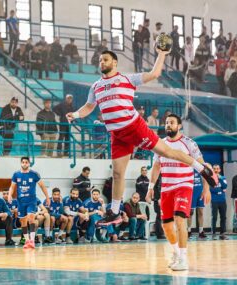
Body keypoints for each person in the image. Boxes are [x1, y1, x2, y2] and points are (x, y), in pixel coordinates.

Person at [66, 50, 217, 227]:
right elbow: (89, 106)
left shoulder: (127, 79)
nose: (102, 62)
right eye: (100, 60)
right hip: (117, 134)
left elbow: (154, 74)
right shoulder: (96, 86)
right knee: (117, 174)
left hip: (134, 127)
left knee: (167, 152)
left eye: (105, 60)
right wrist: (75, 114)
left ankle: (203, 170)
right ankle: (114, 212)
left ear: (115, 62)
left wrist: (162, 53)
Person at [146, 114, 211, 271]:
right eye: (167, 122)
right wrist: (150, 187)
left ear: (179, 126)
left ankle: (183, 257)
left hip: (184, 186)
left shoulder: (189, 144)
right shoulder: (160, 144)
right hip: (166, 188)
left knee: (179, 219)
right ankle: (176, 253)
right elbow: (156, 167)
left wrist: (206, 188)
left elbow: (204, 167)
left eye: (172, 123)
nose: (168, 125)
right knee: (167, 225)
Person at [7, 156, 50, 249]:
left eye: (26, 162)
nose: (24, 164)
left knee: (31, 218)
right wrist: (10, 195)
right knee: (23, 221)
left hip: (31, 200)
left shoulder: (34, 174)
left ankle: (32, 240)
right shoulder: (16, 174)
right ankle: (27, 241)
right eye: (23, 162)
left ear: (29, 163)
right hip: (21, 201)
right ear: (20, 163)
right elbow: (12, 187)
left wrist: (47, 197)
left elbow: (42, 186)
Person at [187, 171, 207, 239]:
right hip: (191, 193)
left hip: (200, 193)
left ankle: (201, 232)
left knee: (200, 212)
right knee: (190, 213)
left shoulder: (200, 169)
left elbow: (205, 180)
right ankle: (189, 231)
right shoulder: (188, 169)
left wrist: (204, 191)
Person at [210, 164, 228, 240]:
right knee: (214, 217)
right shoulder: (210, 179)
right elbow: (211, 190)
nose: (216, 170)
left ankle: (222, 233)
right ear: (213, 170)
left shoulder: (223, 178)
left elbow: (225, 186)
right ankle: (213, 233)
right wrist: (220, 190)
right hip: (214, 201)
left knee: (223, 217)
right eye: (214, 169)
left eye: (217, 168)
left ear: (219, 170)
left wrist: (220, 179)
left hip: (222, 200)